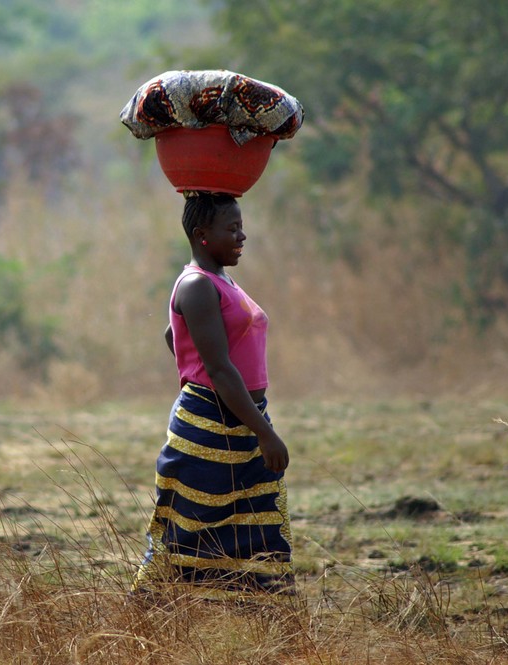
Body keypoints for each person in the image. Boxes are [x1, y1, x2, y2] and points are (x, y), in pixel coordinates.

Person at [131, 191, 294, 601]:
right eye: (232, 228)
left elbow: (174, 335)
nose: (242, 236)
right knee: (188, 534)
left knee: (254, 533)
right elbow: (220, 368)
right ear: (203, 234)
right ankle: (142, 626)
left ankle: (262, 630)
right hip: (209, 427)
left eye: (241, 227)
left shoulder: (220, 280)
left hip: (237, 418)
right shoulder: (198, 285)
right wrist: (265, 433)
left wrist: (196, 369)